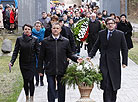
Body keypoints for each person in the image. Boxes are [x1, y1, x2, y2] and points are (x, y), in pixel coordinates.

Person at [38, 22, 83, 102]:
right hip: (50, 68)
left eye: (57, 28)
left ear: (60, 30)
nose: (55, 30)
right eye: (54, 28)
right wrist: (40, 70)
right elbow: (41, 57)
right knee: (51, 88)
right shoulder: (45, 41)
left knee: (61, 89)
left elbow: (69, 54)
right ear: (51, 29)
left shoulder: (65, 41)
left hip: (62, 68)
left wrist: (76, 59)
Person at [88, 17, 128, 102]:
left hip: (115, 63)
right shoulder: (101, 33)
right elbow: (96, 45)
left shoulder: (120, 34)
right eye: (108, 24)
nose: (110, 25)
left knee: (114, 85)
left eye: (112, 23)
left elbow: (124, 48)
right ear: (106, 25)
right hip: (104, 62)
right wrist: (90, 55)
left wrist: (124, 62)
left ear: (115, 25)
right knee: (106, 84)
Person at [9, 24, 39, 102]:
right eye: (25, 29)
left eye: (29, 29)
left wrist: (41, 63)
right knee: (25, 80)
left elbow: (38, 52)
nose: (27, 30)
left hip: (32, 63)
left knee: (31, 80)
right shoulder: (19, 39)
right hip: (23, 63)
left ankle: (32, 97)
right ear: (23, 30)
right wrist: (12, 61)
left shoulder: (35, 39)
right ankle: (26, 97)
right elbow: (15, 51)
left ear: (31, 30)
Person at [32, 21, 45, 86]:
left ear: (41, 26)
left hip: (42, 49)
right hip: (35, 50)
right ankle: (37, 80)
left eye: (39, 26)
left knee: (41, 65)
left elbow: (45, 39)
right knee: (36, 66)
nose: (38, 28)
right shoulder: (32, 32)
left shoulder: (43, 31)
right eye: (36, 26)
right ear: (34, 27)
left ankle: (41, 80)